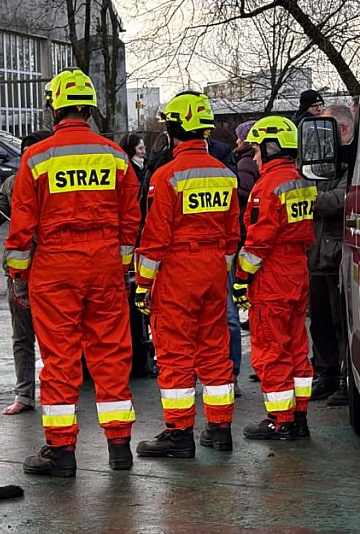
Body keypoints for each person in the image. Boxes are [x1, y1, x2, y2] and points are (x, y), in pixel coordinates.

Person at [6, 69, 141, 474]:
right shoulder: (115, 156)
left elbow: (22, 225)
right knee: (111, 354)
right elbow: (130, 220)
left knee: (60, 359)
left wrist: (18, 277)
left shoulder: (37, 157)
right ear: (89, 109)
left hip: (55, 267)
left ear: (55, 109)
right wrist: (119, 267)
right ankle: (119, 447)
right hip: (104, 265)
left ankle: (62, 451)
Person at [134, 91, 240, 458]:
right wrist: (220, 270)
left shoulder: (166, 176)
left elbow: (155, 237)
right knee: (215, 351)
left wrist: (143, 284)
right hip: (213, 270)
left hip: (178, 271)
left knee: (175, 353)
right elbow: (232, 235)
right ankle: (220, 429)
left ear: (174, 131)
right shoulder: (225, 175)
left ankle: (179, 434)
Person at [233, 115, 316, 440]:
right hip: (297, 269)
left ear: (270, 147)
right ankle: (299, 417)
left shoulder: (267, 186)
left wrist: (241, 278)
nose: (254, 157)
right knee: (297, 347)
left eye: (256, 150)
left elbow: (259, 241)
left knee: (272, 349)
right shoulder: (300, 181)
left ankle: (280, 420)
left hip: (273, 273)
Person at [0, 129, 52, 416]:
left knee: (55, 335)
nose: (27, 159)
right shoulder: (12, 183)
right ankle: (24, 394)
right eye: (24, 154)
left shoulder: (53, 181)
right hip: (19, 272)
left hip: (52, 269)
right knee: (22, 336)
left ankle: (59, 391)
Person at [308, 104, 354, 405]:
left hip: (337, 254)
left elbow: (340, 200)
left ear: (343, 129)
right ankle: (326, 375)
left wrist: (306, 196)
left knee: (341, 323)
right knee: (320, 321)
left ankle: (344, 379)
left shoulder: (351, 163)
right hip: (317, 254)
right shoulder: (322, 162)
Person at [230, 119, 259, 391]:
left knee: (232, 312)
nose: (236, 141)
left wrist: (233, 190)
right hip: (245, 237)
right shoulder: (248, 161)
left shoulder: (245, 163)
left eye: (240, 137)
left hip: (243, 237)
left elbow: (246, 192)